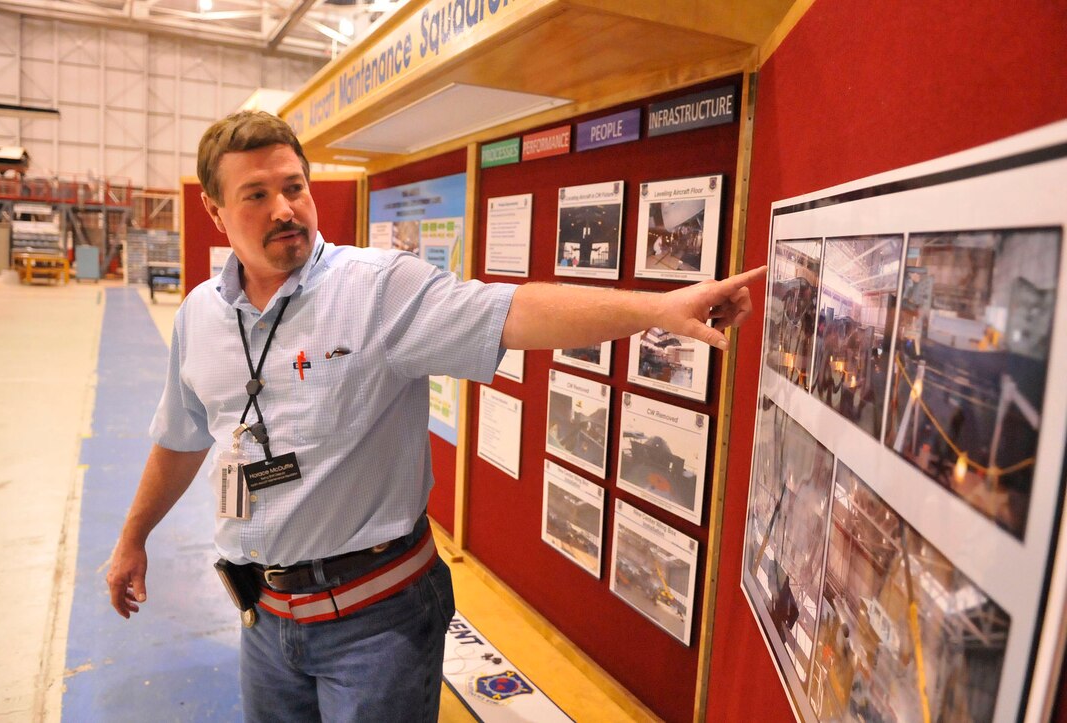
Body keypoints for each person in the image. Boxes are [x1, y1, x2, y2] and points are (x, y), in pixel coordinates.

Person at [105, 110, 765, 722]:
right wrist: (134, 536)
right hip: (265, 620)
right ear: (213, 209)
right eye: (256, 194)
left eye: (294, 186)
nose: (284, 209)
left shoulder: (377, 288)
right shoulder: (200, 316)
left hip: (375, 625)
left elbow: (512, 311)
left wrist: (655, 309)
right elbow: (182, 436)